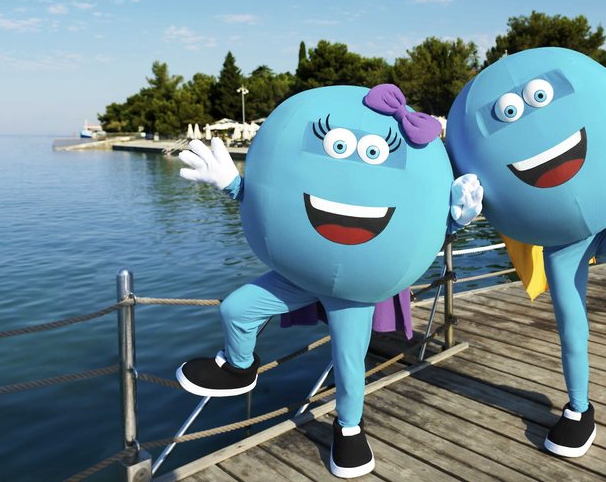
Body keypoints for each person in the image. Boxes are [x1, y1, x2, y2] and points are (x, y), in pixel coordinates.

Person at [177, 84, 482, 478]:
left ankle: (349, 428)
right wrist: (232, 184)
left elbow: (417, 220)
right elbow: (276, 197)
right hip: (302, 274)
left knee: (349, 362)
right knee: (237, 308)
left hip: (358, 289)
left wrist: (455, 221)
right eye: (337, 146)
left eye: (374, 153)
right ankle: (239, 368)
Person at [445, 35, 606, 457]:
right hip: (561, 246)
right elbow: (470, 168)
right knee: (572, 324)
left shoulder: (587, 104)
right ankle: (579, 410)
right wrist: (457, 207)